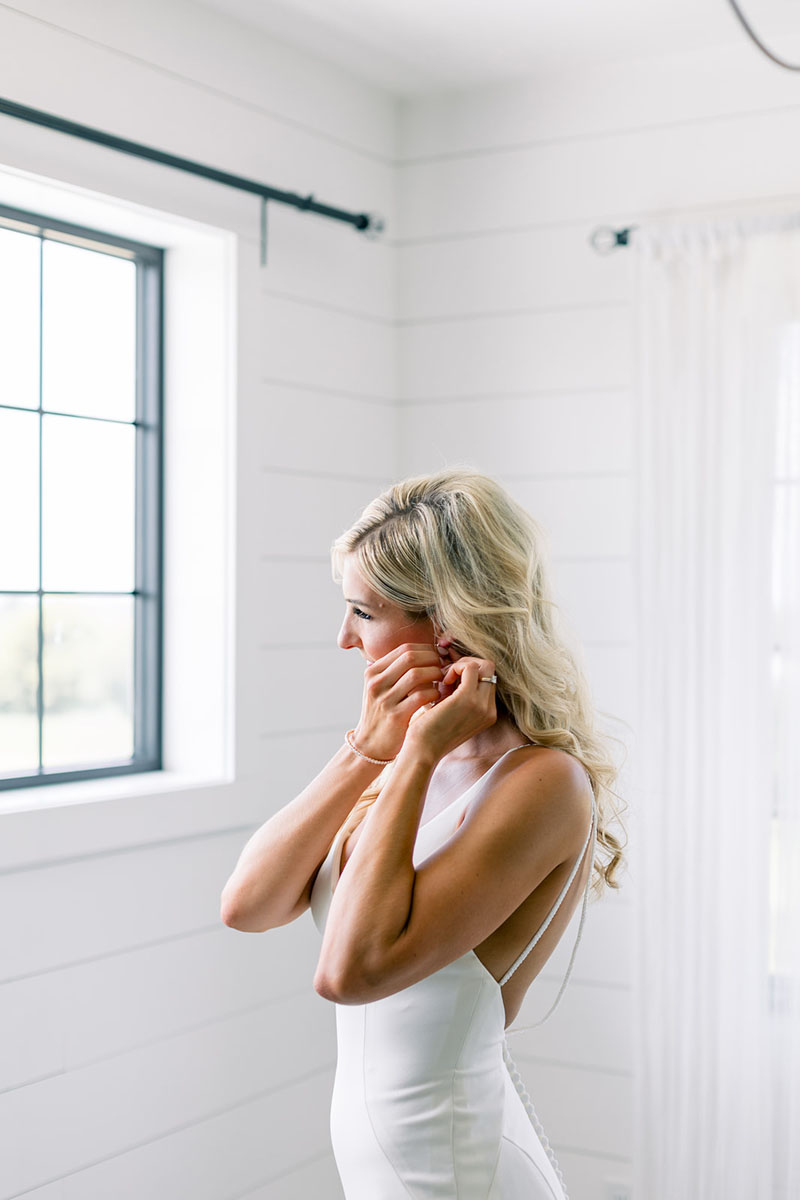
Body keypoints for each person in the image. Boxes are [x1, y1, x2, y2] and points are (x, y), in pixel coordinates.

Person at [221, 468, 626, 1200]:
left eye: (362, 613)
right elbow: (247, 905)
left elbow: (348, 973)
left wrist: (411, 754)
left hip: (461, 1169)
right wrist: (366, 751)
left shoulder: (541, 783)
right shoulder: (401, 757)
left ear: (447, 624)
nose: (343, 638)